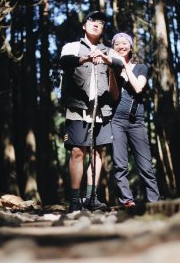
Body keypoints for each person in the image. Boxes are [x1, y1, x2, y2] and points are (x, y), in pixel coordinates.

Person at [59, 11, 123, 212]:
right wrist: (86, 58)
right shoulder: (72, 46)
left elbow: (120, 64)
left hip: (102, 109)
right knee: (78, 152)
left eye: (101, 22)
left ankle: (91, 197)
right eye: (92, 21)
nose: (97, 24)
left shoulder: (109, 51)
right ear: (84, 25)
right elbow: (65, 62)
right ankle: (75, 200)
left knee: (98, 152)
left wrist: (105, 59)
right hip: (78, 106)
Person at [109, 32, 161, 207]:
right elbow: (112, 95)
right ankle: (126, 201)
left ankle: (154, 201)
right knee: (120, 164)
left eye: (124, 43)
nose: (121, 46)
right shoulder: (112, 70)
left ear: (131, 47)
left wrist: (124, 67)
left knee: (145, 164)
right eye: (117, 44)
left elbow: (138, 88)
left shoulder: (141, 67)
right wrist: (114, 71)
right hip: (116, 120)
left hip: (136, 121)